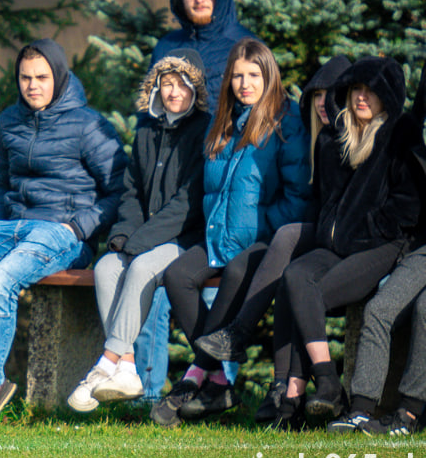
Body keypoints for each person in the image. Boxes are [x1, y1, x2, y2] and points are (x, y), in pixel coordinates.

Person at [0, 39, 128, 426]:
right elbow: (3, 183)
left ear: (59, 78)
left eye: (42, 77)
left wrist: (78, 227)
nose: (33, 85)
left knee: (1, 281)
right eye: (25, 78)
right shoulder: (10, 121)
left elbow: (118, 189)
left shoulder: (88, 125)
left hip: (61, 231)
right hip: (10, 227)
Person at [151, 38, 311, 428]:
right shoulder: (220, 124)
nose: (245, 83)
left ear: (268, 76)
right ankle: (219, 379)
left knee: (238, 272)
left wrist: (261, 227)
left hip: (262, 239)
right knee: (177, 276)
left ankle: (192, 378)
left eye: (253, 74)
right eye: (237, 75)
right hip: (216, 237)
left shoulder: (285, 125)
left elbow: (297, 197)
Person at [194, 55, 351, 423]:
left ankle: (244, 338)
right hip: (310, 235)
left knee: (286, 242)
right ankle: (283, 392)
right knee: (289, 268)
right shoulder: (316, 138)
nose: (322, 104)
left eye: (330, 96)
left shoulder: (348, 140)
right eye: (315, 97)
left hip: (338, 240)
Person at [270, 56, 421, 430]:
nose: (362, 98)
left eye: (371, 91)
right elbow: (327, 202)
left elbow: (407, 203)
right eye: (356, 89)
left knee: (318, 294)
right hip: (337, 245)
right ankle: (326, 380)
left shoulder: (399, 134)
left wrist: (371, 228)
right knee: (295, 277)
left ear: (387, 96)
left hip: (379, 246)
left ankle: (300, 399)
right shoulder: (334, 138)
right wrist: (330, 233)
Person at [137, 0, 258, 400]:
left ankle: (213, 383)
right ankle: (170, 389)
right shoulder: (166, 46)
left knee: (212, 289)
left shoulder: (243, 45)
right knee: (158, 278)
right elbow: (149, 117)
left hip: (218, 186)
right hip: (172, 180)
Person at [67, 49, 210, 412]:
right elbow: (132, 192)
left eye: (181, 84)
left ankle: (106, 364)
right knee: (106, 267)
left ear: (195, 89)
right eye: (166, 83)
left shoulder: (203, 131)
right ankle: (128, 366)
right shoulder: (146, 130)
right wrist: (122, 239)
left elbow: (187, 202)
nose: (173, 91)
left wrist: (138, 243)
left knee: (143, 266)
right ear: (156, 88)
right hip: (141, 238)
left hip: (184, 240)